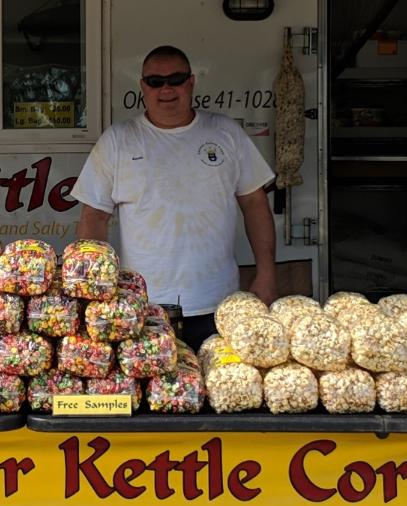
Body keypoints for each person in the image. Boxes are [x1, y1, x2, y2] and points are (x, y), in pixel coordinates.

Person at [72, 45, 278, 348]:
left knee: (218, 393)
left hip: (219, 304)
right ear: (143, 86)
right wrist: (91, 288)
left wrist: (267, 272)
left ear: (191, 82)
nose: (165, 89)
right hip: (141, 306)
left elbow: (255, 203)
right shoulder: (118, 140)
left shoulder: (226, 133)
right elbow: (94, 218)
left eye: (176, 79)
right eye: (155, 81)